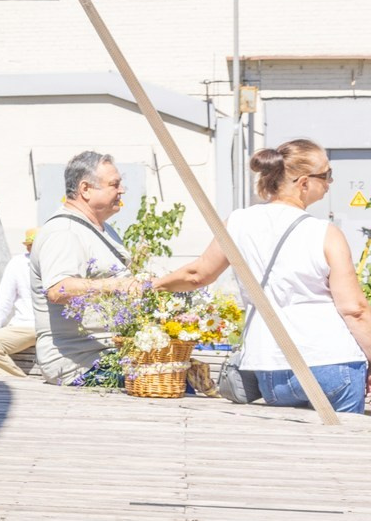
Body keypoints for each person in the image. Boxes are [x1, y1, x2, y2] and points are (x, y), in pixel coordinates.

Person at [154, 139, 371, 412]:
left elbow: (198, 274)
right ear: (303, 182)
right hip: (331, 361)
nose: (330, 182)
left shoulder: (238, 222)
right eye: (326, 175)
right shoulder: (325, 233)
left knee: (293, 449)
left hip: (269, 366)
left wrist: (152, 286)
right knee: (344, 449)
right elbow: (354, 309)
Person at [30, 150, 137, 384]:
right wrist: (118, 285)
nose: (122, 191)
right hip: (78, 364)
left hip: (109, 356)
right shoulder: (64, 231)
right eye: (114, 184)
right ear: (85, 189)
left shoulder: (103, 228)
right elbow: (59, 289)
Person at [0, 229, 39, 378]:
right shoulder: (18, 263)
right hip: (25, 326)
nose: (31, 249)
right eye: (30, 245)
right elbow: (3, 301)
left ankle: (20, 383)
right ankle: (20, 381)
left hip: (52, 327)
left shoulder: (58, 263)